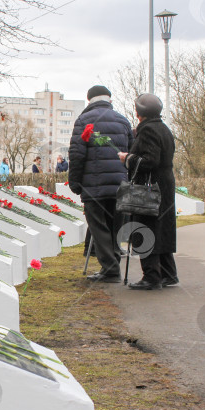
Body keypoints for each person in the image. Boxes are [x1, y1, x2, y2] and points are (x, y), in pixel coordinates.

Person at [68, 84, 133, 283]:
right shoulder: (123, 121)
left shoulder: (84, 120)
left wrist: (75, 182)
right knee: (115, 225)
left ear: (89, 100)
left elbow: (77, 155)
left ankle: (111, 270)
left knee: (98, 225)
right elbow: (131, 151)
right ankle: (113, 264)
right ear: (109, 100)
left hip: (94, 185)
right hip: (120, 184)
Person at [118, 93, 177, 290]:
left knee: (145, 228)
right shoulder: (164, 128)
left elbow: (151, 161)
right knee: (162, 229)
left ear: (139, 113)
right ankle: (169, 274)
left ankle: (151, 276)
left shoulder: (148, 130)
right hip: (164, 185)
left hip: (149, 187)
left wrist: (127, 158)